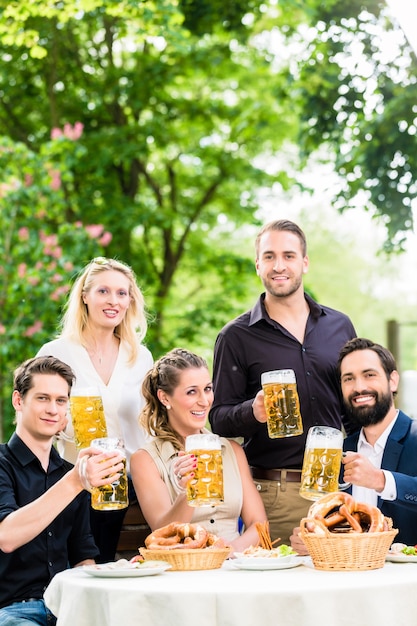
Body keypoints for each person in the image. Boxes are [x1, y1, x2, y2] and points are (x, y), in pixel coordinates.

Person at [209, 219, 357, 544]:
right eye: (269, 256)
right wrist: (253, 411)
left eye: (289, 256)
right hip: (274, 495)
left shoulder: (340, 326)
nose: (279, 266)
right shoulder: (235, 337)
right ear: (258, 264)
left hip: (337, 491)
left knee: (338, 590)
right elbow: (218, 419)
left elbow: (352, 409)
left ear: (304, 262)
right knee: (276, 593)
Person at [37, 257, 153, 562]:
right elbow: (35, 421)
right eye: (103, 291)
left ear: (130, 301)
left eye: (121, 293)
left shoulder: (140, 356)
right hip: (76, 482)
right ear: (84, 296)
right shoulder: (55, 354)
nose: (113, 300)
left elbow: (153, 423)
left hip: (130, 485)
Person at [0, 355, 125, 626]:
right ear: (18, 401)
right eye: (42, 398)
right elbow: (6, 536)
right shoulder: (3, 465)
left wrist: (119, 573)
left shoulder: (69, 472)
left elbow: (83, 558)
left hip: (69, 610)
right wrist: (75, 482)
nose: (53, 410)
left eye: (61, 400)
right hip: (12, 612)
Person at [130, 348, 268, 553]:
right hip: (185, 569)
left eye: (208, 389)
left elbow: (260, 525)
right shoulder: (145, 459)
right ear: (165, 398)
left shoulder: (232, 450)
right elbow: (161, 533)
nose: (204, 401)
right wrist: (187, 493)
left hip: (236, 565)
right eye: (191, 391)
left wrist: (227, 552)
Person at [290, 337, 417, 554]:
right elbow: (332, 524)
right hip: (349, 577)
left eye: (369, 375)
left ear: (392, 380)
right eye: (349, 379)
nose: (359, 387)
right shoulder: (338, 451)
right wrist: (311, 539)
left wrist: (380, 480)